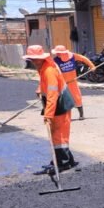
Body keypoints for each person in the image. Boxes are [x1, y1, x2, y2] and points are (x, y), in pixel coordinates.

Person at [23, 45, 78, 173]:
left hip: (60, 104)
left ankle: (63, 163)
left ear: (41, 58)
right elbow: (45, 84)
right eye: (31, 59)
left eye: (35, 59)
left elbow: (52, 95)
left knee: (59, 136)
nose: (33, 61)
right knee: (57, 134)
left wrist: (48, 115)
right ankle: (65, 161)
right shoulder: (44, 67)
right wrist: (39, 89)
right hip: (57, 104)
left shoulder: (49, 70)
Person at [51, 45, 96, 120]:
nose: (57, 54)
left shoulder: (72, 56)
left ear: (63, 52)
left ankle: (81, 115)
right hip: (63, 83)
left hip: (73, 81)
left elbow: (83, 58)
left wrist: (92, 66)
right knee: (64, 99)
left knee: (77, 98)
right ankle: (64, 117)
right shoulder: (55, 60)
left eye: (58, 53)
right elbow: (52, 70)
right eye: (56, 53)